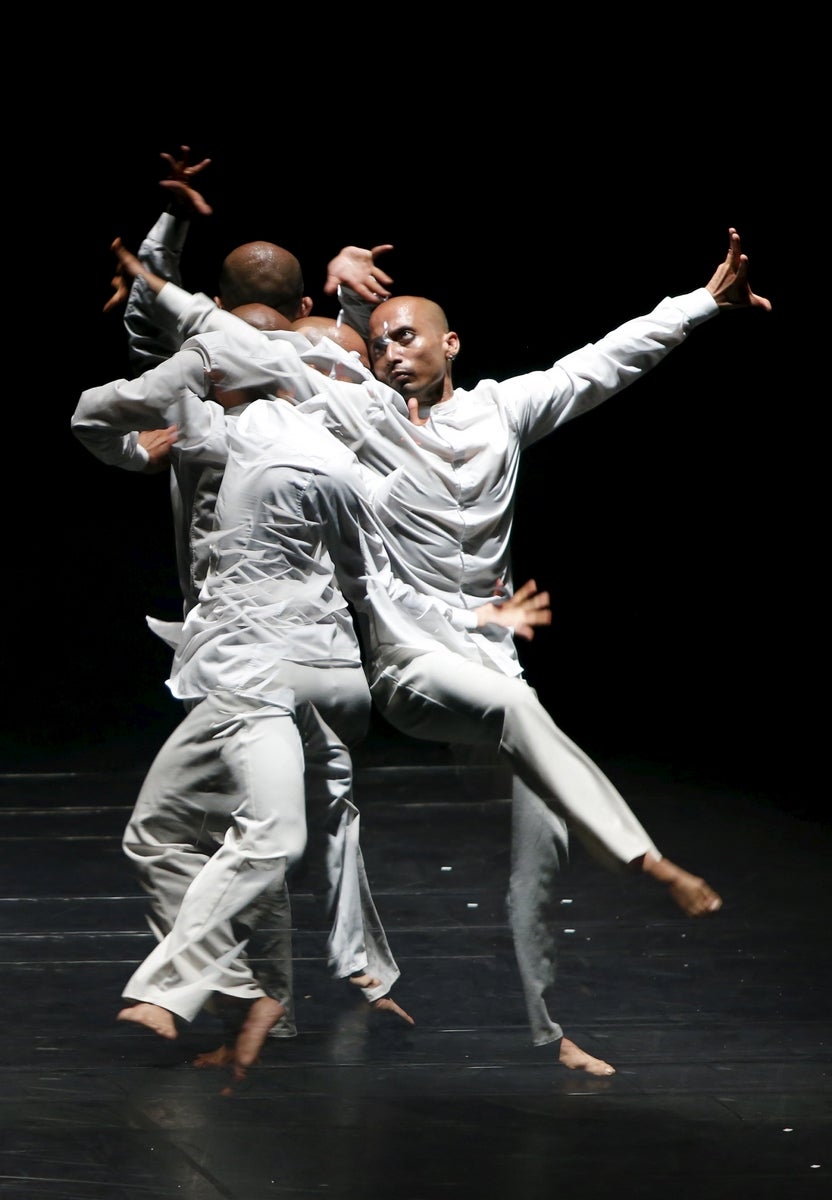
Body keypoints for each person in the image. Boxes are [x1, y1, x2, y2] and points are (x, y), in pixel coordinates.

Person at [113, 225, 773, 1076]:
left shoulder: (500, 410)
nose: (389, 353)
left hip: (491, 656)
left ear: (451, 342)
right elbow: (257, 351)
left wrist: (701, 303)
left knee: (541, 847)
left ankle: (551, 1027)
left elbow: (603, 362)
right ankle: (648, 859)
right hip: (407, 663)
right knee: (320, 805)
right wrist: (185, 283)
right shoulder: (355, 414)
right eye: (378, 342)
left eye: (406, 336)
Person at [71, 270, 551, 1082]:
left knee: (213, 831)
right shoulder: (359, 462)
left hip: (254, 665)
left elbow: (97, 411)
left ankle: (205, 990)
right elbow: (385, 581)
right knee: (313, 821)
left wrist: (183, 349)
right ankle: (295, 994)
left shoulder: (233, 428)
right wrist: (472, 618)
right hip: (332, 672)